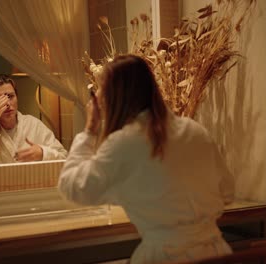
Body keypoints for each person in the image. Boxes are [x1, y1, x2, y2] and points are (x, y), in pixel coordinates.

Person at [58, 55, 234, 263]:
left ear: (113, 97)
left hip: (166, 257)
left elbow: (72, 187)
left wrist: (89, 130)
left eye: (100, 89)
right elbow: (227, 192)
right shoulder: (194, 130)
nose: (97, 95)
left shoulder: (123, 144)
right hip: (218, 253)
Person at [0, 74, 67, 165]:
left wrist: (43, 153)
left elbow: (64, 157)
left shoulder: (34, 125)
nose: (7, 104)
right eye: (0, 99)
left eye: (10, 96)